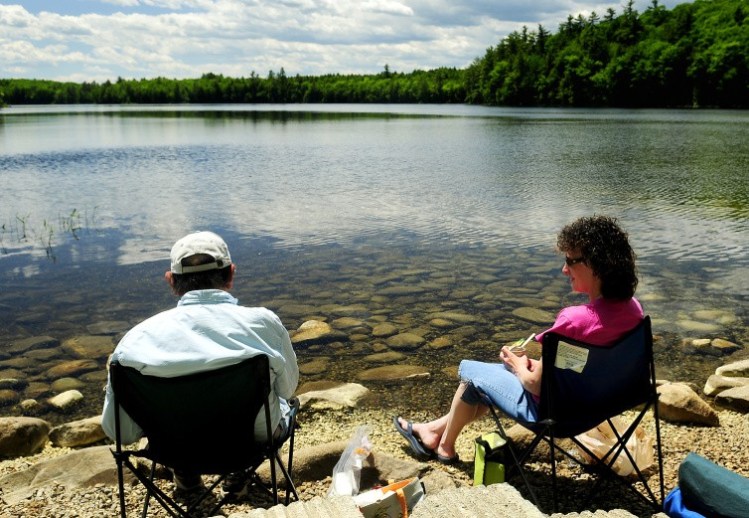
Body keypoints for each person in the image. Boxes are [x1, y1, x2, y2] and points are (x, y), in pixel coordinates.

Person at [394, 215, 643, 464]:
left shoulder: (574, 320)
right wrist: (540, 367)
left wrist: (517, 365)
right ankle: (432, 432)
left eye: (570, 261)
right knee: (487, 379)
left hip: (558, 416)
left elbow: (535, 384)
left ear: (595, 264)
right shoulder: (633, 309)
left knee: (472, 375)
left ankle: (444, 448)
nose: (564, 269)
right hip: (602, 404)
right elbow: (586, 362)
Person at [101, 230, 299, 492]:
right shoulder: (263, 324)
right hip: (247, 445)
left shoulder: (134, 343)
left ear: (171, 281)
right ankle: (239, 470)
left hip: (173, 449)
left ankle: (186, 473)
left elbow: (119, 432)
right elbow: (288, 389)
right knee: (282, 404)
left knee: (179, 417)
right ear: (230, 275)